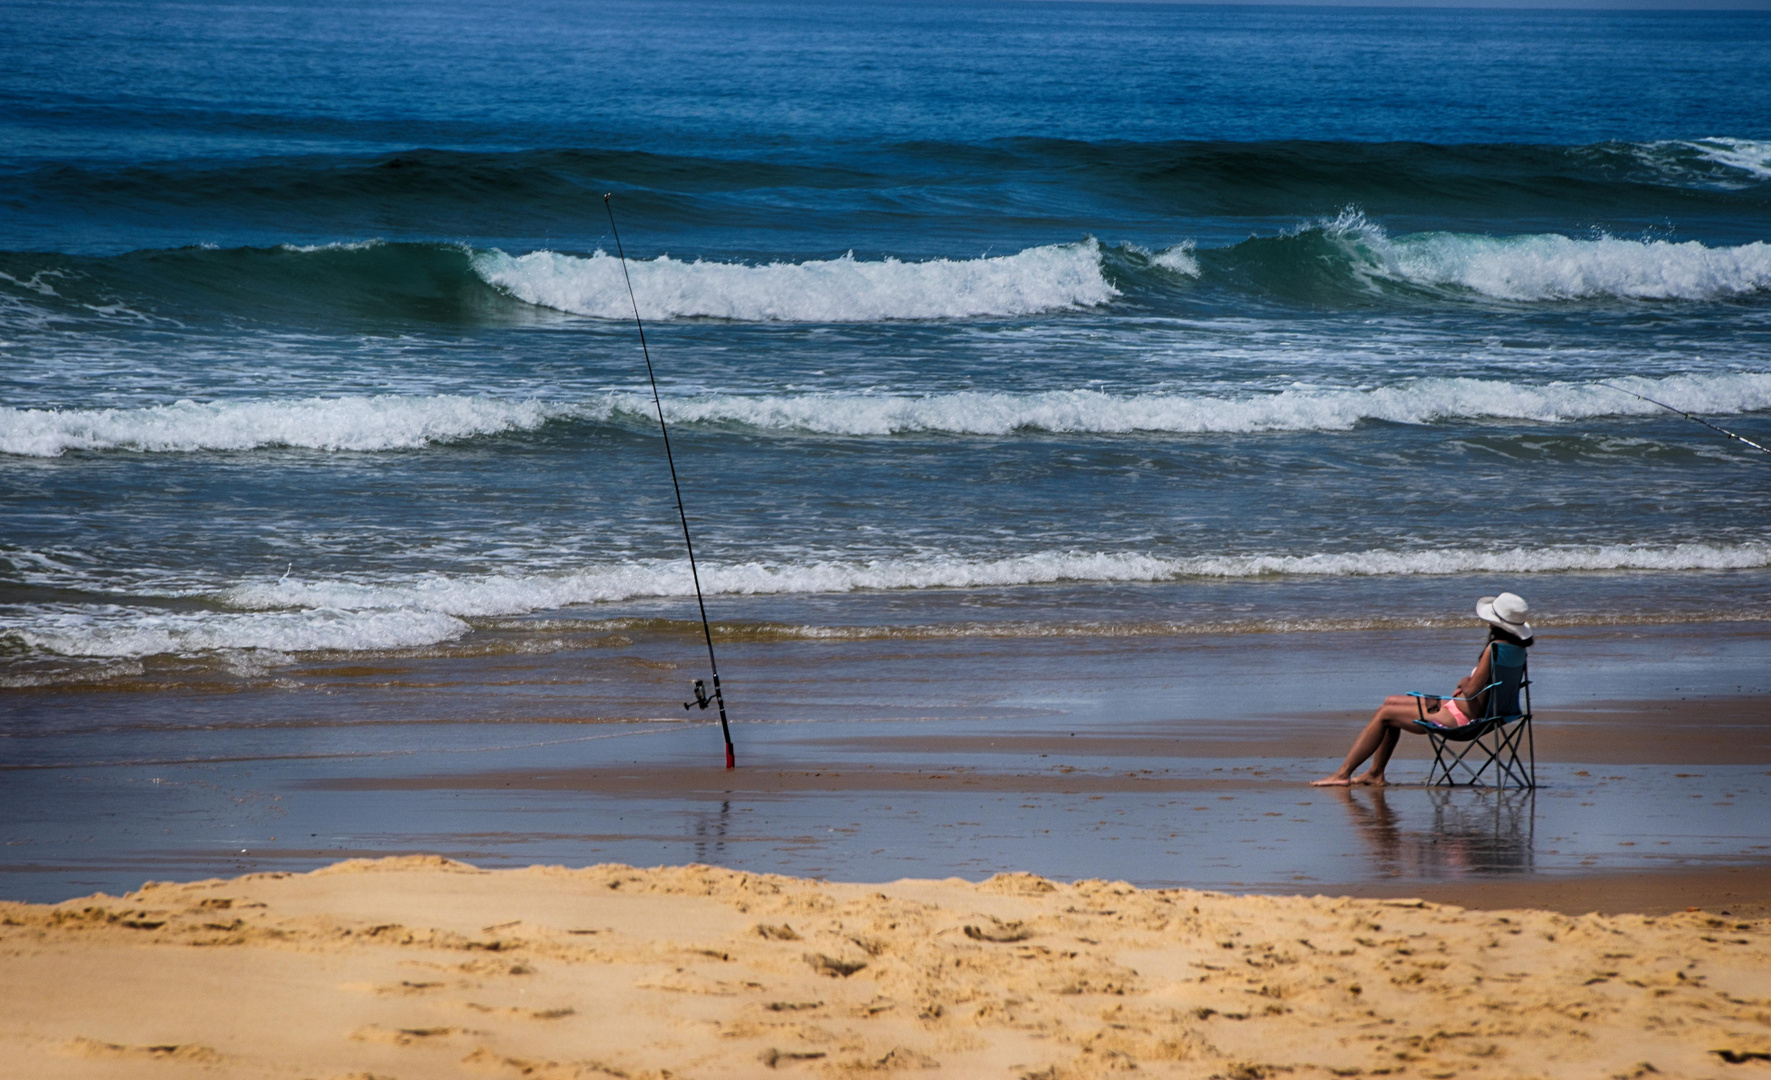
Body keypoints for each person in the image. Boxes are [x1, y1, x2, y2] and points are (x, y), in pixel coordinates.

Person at [1311, 593, 1533, 787]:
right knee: (1389, 702)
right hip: (1476, 713)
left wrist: (1465, 681)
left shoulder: (1494, 648)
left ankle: (1342, 774)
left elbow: (1472, 689)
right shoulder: (1517, 651)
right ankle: (1374, 773)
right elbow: (1490, 688)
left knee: (1385, 714)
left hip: (1459, 719)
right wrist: (1470, 686)